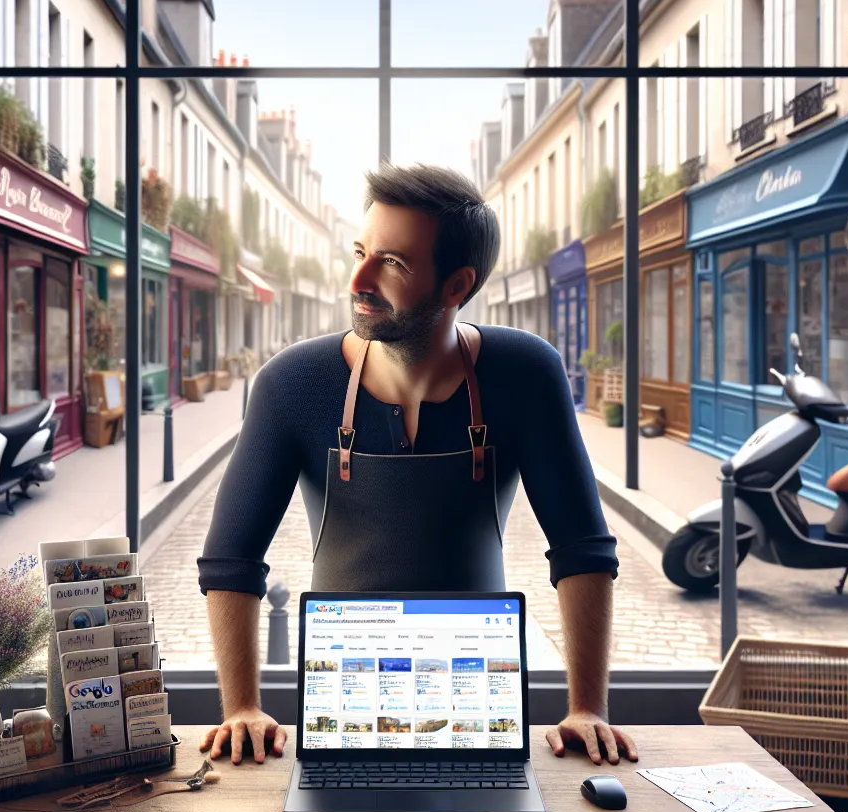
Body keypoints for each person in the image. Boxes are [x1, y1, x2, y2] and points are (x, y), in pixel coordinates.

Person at [195, 163, 636, 767]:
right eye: (360, 252)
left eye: (393, 263)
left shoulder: (526, 372)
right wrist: (240, 705)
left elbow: (583, 549)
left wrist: (588, 707)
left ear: (457, 285)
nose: (358, 278)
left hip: (476, 711)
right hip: (340, 716)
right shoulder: (291, 383)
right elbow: (232, 560)